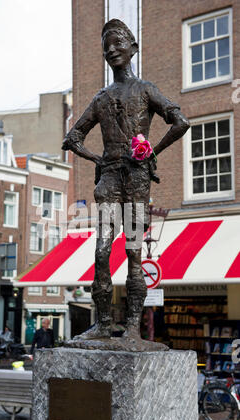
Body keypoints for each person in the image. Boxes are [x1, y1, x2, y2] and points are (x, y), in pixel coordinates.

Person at [62, 19, 190, 350]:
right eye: (107, 43)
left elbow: (181, 121)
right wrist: (97, 159)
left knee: (133, 251)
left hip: (136, 178)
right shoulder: (101, 97)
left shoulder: (146, 89)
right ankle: (104, 324)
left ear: (133, 47)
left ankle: (132, 327)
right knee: (102, 250)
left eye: (119, 41)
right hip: (109, 178)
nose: (112, 48)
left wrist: (151, 153)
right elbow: (73, 137)